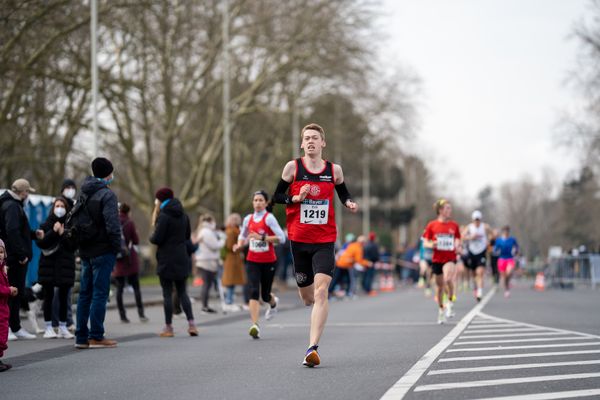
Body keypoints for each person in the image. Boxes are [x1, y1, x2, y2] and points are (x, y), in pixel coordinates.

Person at [272, 122, 358, 367]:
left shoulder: (334, 170)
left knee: (321, 292)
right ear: (302, 144)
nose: (310, 141)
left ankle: (312, 348)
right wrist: (296, 198)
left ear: (323, 143)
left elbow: (343, 193)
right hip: (299, 240)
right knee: (308, 297)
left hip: (324, 239)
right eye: (306, 138)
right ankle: (307, 299)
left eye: (315, 138)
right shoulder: (293, 168)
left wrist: (349, 203)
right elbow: (277, 197)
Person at [74, 157, 121, 349]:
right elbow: (112, 225)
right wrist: (117, 247)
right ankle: (96, 335)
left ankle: (80, 337)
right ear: (108, 174)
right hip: (103, 250)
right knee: (100, 293)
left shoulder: (83, 192)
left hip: (86, 249)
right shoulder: (107, 195)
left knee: (84, 293)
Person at [234, 191, 286, 339]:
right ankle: (255, 325)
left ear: (265, 203)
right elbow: (242, 235)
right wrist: (239, 245)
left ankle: (273, 302)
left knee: (265, 295)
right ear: (252, 203)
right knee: (253, 290)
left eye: (260, 200)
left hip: (268, 261)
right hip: (252, 260)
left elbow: (281, 238)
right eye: (255, 200)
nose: (257, 203)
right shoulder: (248, 219)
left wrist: (262, 237)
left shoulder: (269, 218)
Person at [150, 187, 197, 337]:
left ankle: (169, 327)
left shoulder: (164, 216)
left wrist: (151, 237)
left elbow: (157, 238)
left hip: (166, 259)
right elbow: (187, 235)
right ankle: (192, 325)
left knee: (167, 294)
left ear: (160, 200)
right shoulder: (183, 214)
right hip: (182, 257)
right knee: (183, 292)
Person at [0, 178, 43, 340]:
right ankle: (11, 328)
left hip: (13, 256)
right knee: (12, 293)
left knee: (15, 293)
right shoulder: (12, 206)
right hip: (15, 258)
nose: (27, 195)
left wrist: (33, 234)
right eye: (27, 192)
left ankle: (15, 326)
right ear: (22, 192)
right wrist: (21, 255)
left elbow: (18, 230)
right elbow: (12, 231)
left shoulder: (12, 204)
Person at [36, 197, 76, 339]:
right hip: (49, 266)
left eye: (62, 206)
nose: (59, 208)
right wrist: (53, 232)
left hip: (65, 266)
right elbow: (41, 243)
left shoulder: (71, 224)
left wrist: (62, 234)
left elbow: (73, 246)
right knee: (49, 296)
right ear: (53, 208)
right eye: (57, 205)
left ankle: (63, 327)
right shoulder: (45, 224)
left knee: (65, 297)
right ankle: (48, 327)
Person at [423, 199, 461, 324]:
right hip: (437, 259)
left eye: (450, 208)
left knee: (448, 279)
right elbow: (426, 242)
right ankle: (441, 310)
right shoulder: (432, 225)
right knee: (439, 287)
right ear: (440, 210)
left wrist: (458, 246)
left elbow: (458, 240)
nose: (450, 210)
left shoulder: (454, 225)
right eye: (447, 208)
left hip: (450, 258)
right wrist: (432, 244)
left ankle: (450, 302)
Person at [113, 203, 147, 323]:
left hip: (118, 259)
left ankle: (122, 315)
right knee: (136, 287)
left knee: (120, 288)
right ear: (128, 211)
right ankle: (141, 313)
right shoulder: (130, 222)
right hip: (130, 259)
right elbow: (136, 241)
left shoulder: (113, 222)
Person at [194, 214, 225, 314]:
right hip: (207, 260)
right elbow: (214, 246)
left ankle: (205, 305)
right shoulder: (206, 232)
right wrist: (222, 240)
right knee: (207, 284)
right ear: (210, 221)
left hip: (205, 259)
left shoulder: (204, 231)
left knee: (207, 284)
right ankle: (204, 306)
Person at [462, 210, 491, 302]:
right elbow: (462, 236)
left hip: (481, 252)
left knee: (480, 272)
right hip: (472, 252)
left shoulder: (485, 227)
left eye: (478, 220)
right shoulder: (469, 227)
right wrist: (471, 237)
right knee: (474, 274)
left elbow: (493, 234)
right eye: (475, 220)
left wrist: (489, 240)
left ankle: (480, 292)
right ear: (472, 220)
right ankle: (475, 287)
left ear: (481, 219)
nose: (477, 221)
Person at [330, 234, 371, 298]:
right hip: (346, 264)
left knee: (338, 279)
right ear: (362, 243)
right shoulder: (358, 248)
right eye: (365, 242)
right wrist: (367, 263)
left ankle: (332, 293)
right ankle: (349, 293)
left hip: (341, 263)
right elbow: (359, 260)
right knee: (350, 280)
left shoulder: (352, 245)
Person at [222, 213, 246, 312]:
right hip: (232, 258)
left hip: (234, 258)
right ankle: (228, 301)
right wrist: (238, 247)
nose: (236, 221)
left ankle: (229, 300)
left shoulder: (234, 230)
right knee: (230, 281)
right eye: (234, 219)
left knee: (231, 281)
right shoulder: (231, 231)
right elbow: (229, 245)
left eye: (237, 219)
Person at [0, 239, 18, 371]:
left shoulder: (3, 268)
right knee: (1, 336)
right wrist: (8, 290)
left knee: (3, 333)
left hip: (3, 307)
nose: (0, 255)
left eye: (1, 252)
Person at [494, 226, 519, 298]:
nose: (506, 232)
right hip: (501, 259)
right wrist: (495, 250)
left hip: (509, 258)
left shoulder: (512, 239)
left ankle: (507, 285)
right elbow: (495, 249)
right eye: (505, 231)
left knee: (509, 272)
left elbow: (516, 247)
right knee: (504, 276)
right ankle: (506, 289)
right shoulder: (499, 240)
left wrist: (516, 251)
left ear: (509, 232)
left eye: (507, 231)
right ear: (503, 232)